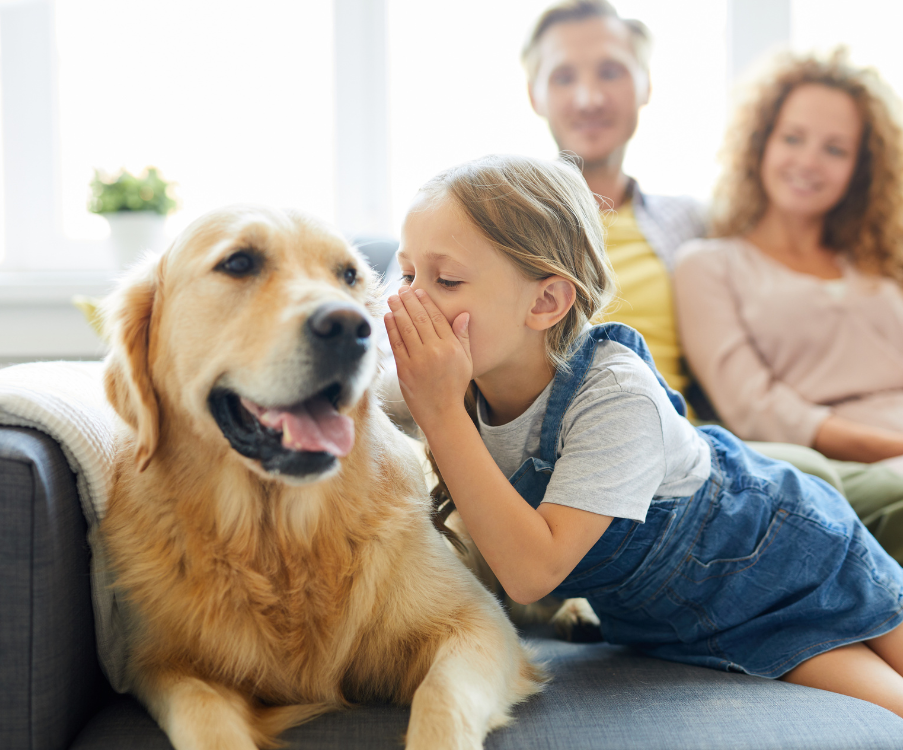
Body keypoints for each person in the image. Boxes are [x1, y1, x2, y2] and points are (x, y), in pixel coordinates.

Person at [384, 153, 903, 716]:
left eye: (447, 279)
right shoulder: (440, 383)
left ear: (546, 301)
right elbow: (340, 413)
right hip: (668, 620)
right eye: (407, 274)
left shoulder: (614, 394)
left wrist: (441, 413)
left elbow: (532, 573)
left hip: (780, 556)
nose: (408, 301)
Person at [673, 51, 903, 473]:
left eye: (835, 149)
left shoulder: (883, 258)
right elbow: (755, 409)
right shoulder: (708, 266)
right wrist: (893, 448)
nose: (809, 162)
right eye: (793, 138)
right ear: (762, 141)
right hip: (842, 466)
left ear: (862, 167)